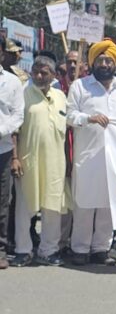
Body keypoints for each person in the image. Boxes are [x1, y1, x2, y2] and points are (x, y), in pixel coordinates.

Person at [66, 40, 116, 266]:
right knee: (84, 205)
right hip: (87, 157)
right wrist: (89, 118)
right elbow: (69, 116)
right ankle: (80, 249)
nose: (104, 64)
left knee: (108, 206)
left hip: (114, 159)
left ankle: (101, 248)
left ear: (115, 63)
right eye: (100, 60)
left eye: (108, 60)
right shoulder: (80, 86)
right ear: (92, 62)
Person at [9, 56, 66, 266]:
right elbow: (14, 130)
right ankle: (23, 250)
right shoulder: (23, 94)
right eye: (36, 72)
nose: (39, 76)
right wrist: (15, 158)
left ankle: (48, 251)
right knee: (24, 209)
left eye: (44, 72)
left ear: (53, 75)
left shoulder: (61, 96)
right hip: (28, 161)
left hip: (55, 164)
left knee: (52, 208)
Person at [0, 53, 26, 269]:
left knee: (2, 201)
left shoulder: (12, 82)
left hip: (3, 149)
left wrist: (1, 131)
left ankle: (0, 249)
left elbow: (18, 115)